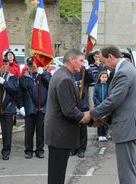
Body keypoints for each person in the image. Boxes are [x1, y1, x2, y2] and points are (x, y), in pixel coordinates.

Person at [89, 45, 136, 184]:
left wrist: (92, 114)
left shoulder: (123, 72)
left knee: (126, 172)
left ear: (110, 57)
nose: (103, 65)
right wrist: (104, 117)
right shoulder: (126, 69)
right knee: (131, 169)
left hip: (127, 126)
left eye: (104, 61)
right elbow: (121, 101)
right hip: (132, 125)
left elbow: (113, 100)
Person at [44, 49, 90, 184]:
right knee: (57, 176)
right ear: (72, 60)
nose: (83, 65)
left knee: (56, 174)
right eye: (81, 61)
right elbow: (69, 110)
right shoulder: (64, 79)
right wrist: (85, 117)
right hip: (60, 134)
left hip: (58, 134)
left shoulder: (62, 75)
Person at [18, 57, 51, 159]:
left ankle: (40, 150)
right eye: (30, 65)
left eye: (33, 65)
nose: (32, 67)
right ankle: (28, 150)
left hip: (42, 107)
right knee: (29, 131)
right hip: (29, 108)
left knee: (40, 131)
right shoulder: (23, 78)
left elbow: (51, 84)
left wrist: (43, 74)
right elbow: (20, 94)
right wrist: (21, 106)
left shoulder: (44, 76)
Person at [70, 59, 95, 158]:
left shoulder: (84, 71)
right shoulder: (71, 71)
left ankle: (81, 149)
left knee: (82, 128)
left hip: (83, 102)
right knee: (72, 127)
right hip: (72, 103)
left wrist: (88, 68)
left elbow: (92, 79)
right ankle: (73, 148)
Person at [93, 71, 109, 142]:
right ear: (99, 78)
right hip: (99, 106)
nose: (104, 78)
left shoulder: (108, 86)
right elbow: (94, 96)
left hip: (106, 106)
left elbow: (109, 96)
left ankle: (104, 135)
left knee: (105, 121)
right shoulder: (97, 86)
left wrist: (106, 104)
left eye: (105, 77)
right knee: (99, 121)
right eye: (102, 77)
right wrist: (99, 104)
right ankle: (100, 135)